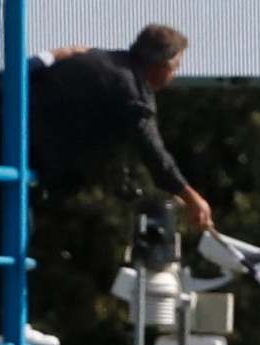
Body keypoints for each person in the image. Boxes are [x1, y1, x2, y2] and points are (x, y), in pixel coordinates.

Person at [29, 24, 212, 229]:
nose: (174, 75)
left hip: (8, 126)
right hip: (13, 146)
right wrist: (191, 197)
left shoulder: (100, 59)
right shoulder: (132, 93)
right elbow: (153, 152)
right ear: (161, 65)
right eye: (175, 67)